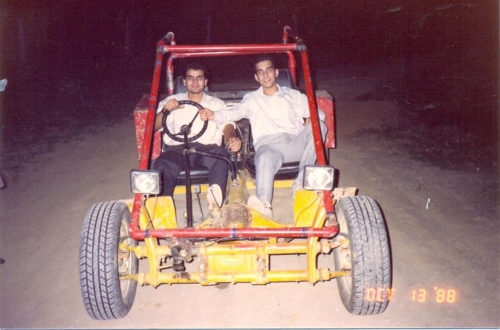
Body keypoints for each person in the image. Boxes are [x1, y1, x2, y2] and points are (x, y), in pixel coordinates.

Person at [200, 55, 327, 218]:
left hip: (295, 142)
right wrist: (215, 115)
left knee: (319, 126)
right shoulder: (251, 99)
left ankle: (301, 183)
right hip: (270, 146)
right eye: (260, 72)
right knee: (265, 156)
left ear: (276, 72)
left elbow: (319, 114)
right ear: (256, 77)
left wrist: (310, 120)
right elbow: (236, 111)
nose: (265, 75)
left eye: (268, 70)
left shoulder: (293, 95)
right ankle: (264, 204)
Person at [153, 63, 241, 210]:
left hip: (206, 149)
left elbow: (227, 126)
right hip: (177, 150)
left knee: (221, 156)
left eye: (199, 78)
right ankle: (161, 209)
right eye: (190, 78)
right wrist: (165, 111)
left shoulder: (216, 104)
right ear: (184, 82)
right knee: (162, 164)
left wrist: (232, 137)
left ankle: (215, 203)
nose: (195, 82)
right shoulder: (172, 101)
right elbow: (153, 127)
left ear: (205, 81)